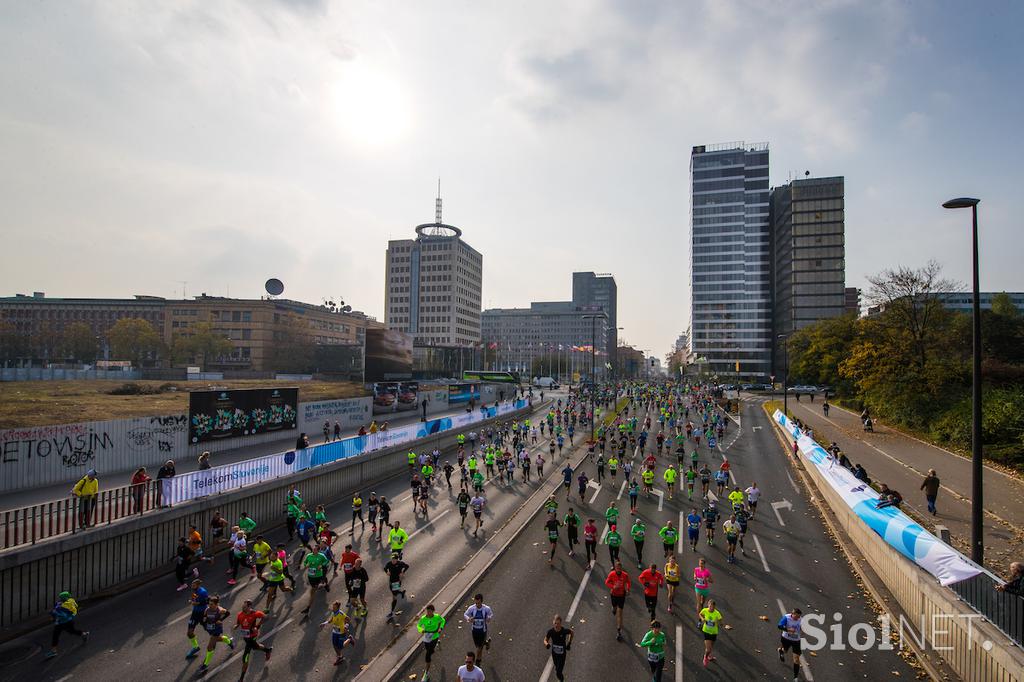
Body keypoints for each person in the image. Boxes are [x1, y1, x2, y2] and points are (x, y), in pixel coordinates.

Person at [234, 599, 272, 677]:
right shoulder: (240, 614)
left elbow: (266, 617)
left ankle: (241, 678)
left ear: (249, 607)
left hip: (252, 636)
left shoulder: (255, 613)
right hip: (245, 636)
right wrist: (236, 626)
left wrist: (257, 626)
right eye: (242, 607)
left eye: (244, 607)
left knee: (245, 657)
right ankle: (268, 650)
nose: (242, 608)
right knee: (255, 647)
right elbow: (239, 622)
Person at [197, 595, 234, 674]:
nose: (209, 606)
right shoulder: (207, 609)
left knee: (210, 647)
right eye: (209, 604)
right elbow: (205, 617)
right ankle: (229, 641)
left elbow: (228, 613)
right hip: (210, 628)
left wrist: (220, 619)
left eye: (211, 604)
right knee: (218, 639)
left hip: (217, 629)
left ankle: (205, 665)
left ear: (216, 604)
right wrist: (204, 620)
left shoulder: (220, 610)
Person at [47, 590, 88, 658]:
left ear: (65, 598)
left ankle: (84, 634)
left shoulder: (67, 604)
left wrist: (54, 614)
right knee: (57, 635)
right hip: (63, 622)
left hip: (65, 622)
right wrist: (54, 616)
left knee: (69, 632)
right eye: (60, 598)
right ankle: (54, 651)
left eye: (62, 597)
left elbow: (62, 614)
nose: (60, 599)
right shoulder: (65, 603)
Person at [416, 604, 446, 682]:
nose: (428, 613)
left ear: (433, 611)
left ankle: (426, 674)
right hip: (426, 637)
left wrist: (440, 628)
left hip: (434, 636)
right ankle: (435, 647)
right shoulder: (423, 618)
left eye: (430, 611)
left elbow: (443, 620)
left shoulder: (437, 617)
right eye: (427, 611)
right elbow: (418, 625)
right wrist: (421, 630)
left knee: (428, 654)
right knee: (429, 650)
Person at [321, 600, 355, 666]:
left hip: (341, 632)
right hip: (335, 632)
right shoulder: (334, 613)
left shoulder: (341, 614)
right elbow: (331, 620)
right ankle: (340, 657)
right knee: (334, 645)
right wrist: (324, 623)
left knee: (340, 646)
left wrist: (346, 626)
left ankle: (349, 639)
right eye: (333, 607)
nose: (332, 608)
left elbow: (348, 619)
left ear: (338, 608)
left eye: (334, 607)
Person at [604, 561, 631, 641]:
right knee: (615, 608)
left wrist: (628, 590)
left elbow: (628, 582)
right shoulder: (611, 574)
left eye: (620, 568)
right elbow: (607, 582)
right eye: (617, 568)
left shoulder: (625, 575)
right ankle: (613, 608)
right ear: (615, 568)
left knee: (620, 613)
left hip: (621, 595)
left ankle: (619, 631)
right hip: (614, 595)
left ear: (621, 568)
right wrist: (613, 587)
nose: (619, 570)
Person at [300, 547, 332, 615]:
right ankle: (324, 585)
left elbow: (327, 561)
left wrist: (322, 565)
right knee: (315, 589)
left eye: (315, 550)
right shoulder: (309, 556)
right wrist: (306, 565)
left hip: (318, 575)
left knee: (313, 591)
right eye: (313, 550)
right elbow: (305, 562)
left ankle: (308, 608)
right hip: (311, 576)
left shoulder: (321, 556)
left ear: (318, 550)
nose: (313, 551)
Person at [463, 593, 493, 664]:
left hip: (483, 631)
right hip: (474, 631)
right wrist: (469, 619)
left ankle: (477, 662)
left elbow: (491, 614)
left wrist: (489, 618)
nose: (477, 605)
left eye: (478, 603)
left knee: (479, 649)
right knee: (478, 646)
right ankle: (486, 643)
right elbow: (465, 614)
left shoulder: (486, 608)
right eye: (476, 603)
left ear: (481, 601)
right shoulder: (472, 608)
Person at [544, 614, 574, 682]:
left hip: (562, 655)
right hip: (554, 654)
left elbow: (571, 632)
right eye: (555, 623)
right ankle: (560, 677)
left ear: (561, 623)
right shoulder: (550, 632)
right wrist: (546, 644)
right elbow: (545, 639)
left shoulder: (564, 631)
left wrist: (569, 643)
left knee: (558, 671)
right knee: (557, 669)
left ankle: (561, 680)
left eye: (558, 623)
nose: (556, 625)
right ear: (553, 622)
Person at [778, 607, 804, 682]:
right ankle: (781, 651)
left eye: (799, 617)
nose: (797, 618)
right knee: (785, 651)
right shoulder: (786, 617)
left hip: (796, 641)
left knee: (796, 659)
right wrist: (788, 630)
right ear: (792, 614)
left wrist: (802, 630)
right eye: (796, 617)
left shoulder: (800, 619)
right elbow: (779, 626)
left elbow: (801, 626)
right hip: (786, 639)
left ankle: (795, 678)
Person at [699, 598, 723, 668]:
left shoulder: (717, 613)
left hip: (714, 632)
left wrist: (719, 623)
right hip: (706, 631)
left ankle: (708, 655)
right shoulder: (705, 610)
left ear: (715, 607)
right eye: (710, 606)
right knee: (708, 648)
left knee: (711, 646)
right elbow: (700, 614)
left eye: (713, 607)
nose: (711, 608)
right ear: (708, 605)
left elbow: (721, 621)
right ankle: (705, 657)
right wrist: (703, 619)